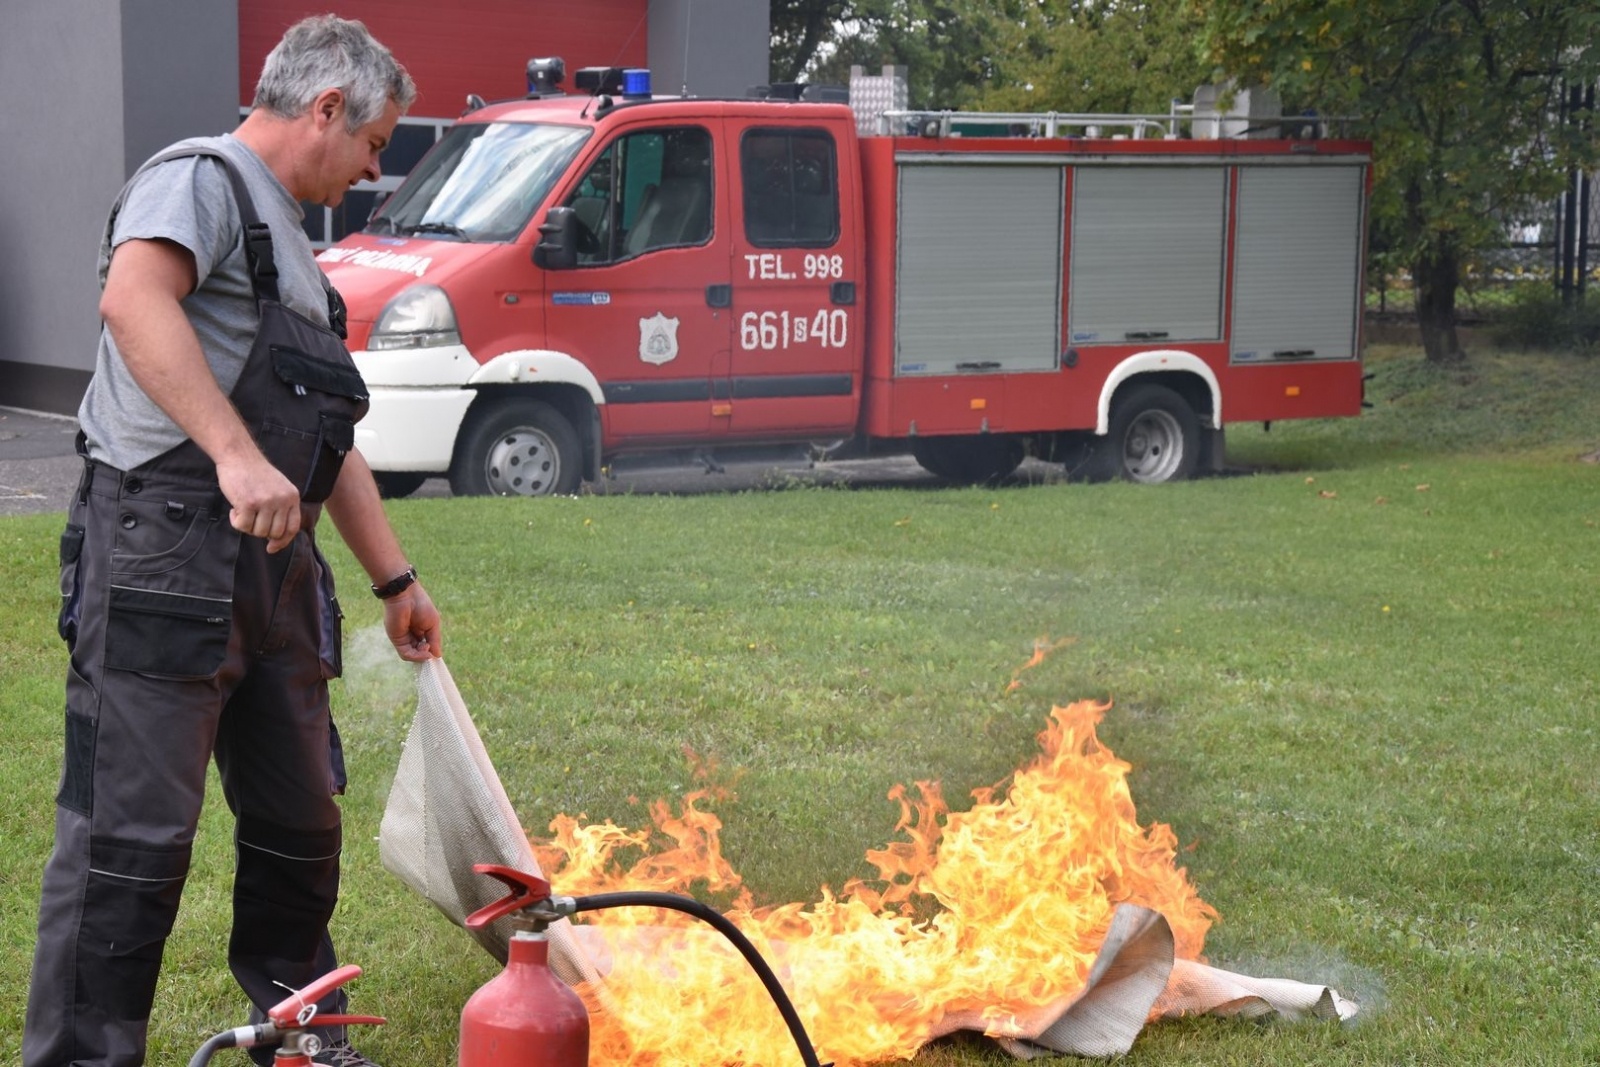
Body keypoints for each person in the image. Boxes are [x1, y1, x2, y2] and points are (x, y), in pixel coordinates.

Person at [24, 16, 440, 1067]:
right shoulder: (199, 179)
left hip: (277, 575)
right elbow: (132, 298)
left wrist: (394, 579)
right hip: (162, 556)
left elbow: (329, 440)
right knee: (130, 841)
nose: (374, 168)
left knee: (302, 825)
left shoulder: (297, 251)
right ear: (326, 108)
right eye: (374, 142)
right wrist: (232, 453)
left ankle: (301, 1036)